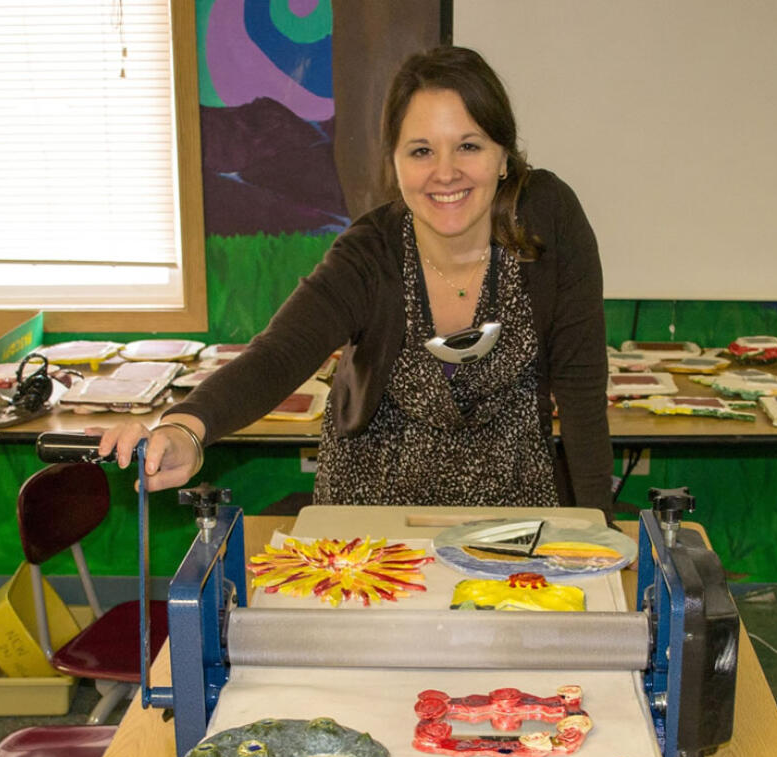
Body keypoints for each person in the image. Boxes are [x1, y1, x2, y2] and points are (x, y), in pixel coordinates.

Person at [98, 45, 612, 512]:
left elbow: (582, 387)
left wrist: (600, 538)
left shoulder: (549, 217)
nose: (446, 171)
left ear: (504, 156)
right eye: (421, 150)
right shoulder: (370, 253)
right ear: (395, 163)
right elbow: (279, 354)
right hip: (374, 514)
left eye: (469, 146)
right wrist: (186, 428)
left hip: (513, 511)